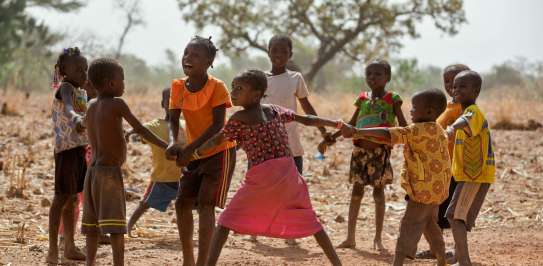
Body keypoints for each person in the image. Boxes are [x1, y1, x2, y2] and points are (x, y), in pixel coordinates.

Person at [191, 70, 342, 266]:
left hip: (261, 180)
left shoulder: (239, 119)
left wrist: (194, 153)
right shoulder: (274, 110)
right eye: (233, 87)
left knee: (225, 222)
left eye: (239, 88)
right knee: (311, 221)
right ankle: (337, 263)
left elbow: (217, 140)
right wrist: (337, 124)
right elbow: (307, 120)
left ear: (256, 95)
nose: (233, 92)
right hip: (289, 176)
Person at [341, 89, 451, 266]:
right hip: (438, 189)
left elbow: (387, 134)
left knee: (410, 224)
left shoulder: (416, 130)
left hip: (422, 190)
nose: (411, 111)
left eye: (415, 108)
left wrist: (357, 131)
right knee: (429, 224)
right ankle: (441, 259)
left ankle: (398, 261)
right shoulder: (438, 129)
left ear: (429, 111)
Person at [82, 58, 167, 266]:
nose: (124, 84)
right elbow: (140, 129)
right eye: (122, 79)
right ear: (111, 83)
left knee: (92, 228)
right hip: (109, 173)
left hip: (91, 174)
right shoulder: (117, 104)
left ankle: (90, 262)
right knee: (117, 227)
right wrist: (166, 146)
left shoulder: (91, 106)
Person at [166, 36, 237, 266]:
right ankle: (188, 258)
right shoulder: (178, 87)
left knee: (206, 205)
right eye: (186, 53)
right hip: (193, 154)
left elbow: (218, 125)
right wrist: (172, 142)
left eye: (195, 55)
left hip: (219, 152)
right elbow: (172, 119)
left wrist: (189, 149)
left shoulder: (217, 87)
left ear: (209, 61)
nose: (188, 58)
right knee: (182, 203)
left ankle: (204, 262)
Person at [322, 59, 407, 250]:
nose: (373, 77)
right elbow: (351, 124)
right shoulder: (362, 99)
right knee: (356, 192)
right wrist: (332, 137)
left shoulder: (393, 99)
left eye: (378, 74)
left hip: (380, 152)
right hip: (359, 151)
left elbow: (403, 124)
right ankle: (350, 237)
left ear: (387, 77)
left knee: (379, 193)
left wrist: (411, 139)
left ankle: (378, 238)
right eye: (369, 74)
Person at [416, 63, 470, 260]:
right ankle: (435, 249)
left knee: (455, 214)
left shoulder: (467, 109)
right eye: (447, 81)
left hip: (458, 168)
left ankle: (458, 253)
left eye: (457, 82)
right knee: (433, 212)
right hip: (439, 167)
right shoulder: (444, 107)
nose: (452, 86)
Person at [445, 70, 495, 266]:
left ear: (476, 91)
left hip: (475, 175)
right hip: (469, 175)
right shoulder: (467, 112)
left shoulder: (472, 112)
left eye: (462, 86)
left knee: (453, 215)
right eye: (455, 86)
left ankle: (464, 261)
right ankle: (459, 256)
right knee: (459, 216)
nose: (456, 90)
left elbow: (463, 122)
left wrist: (450, 129)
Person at [126, 88, 186, 237]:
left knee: (185, 206)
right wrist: (130, 132)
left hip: (184, 177)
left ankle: (184, 233)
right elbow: (140, 129)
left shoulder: (186, 124)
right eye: (169, 101)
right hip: (162, 177)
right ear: (162, 104)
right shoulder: (154, 125)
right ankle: (128, 228)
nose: (173, 104)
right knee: (145, 204)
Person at [47, 47, 88, 264]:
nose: (83, 73)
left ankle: (69, 246)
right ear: (64, 71)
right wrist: (75, 119)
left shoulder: (82, 90)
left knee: (73, 198)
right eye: (79, 69)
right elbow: (70, 108)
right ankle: (53, 248)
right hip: (66, 151)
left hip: (80, 150)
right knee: (61, 198)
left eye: (86, 69)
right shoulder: (65, 87)